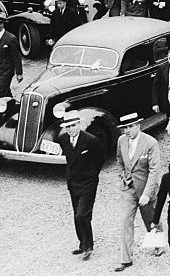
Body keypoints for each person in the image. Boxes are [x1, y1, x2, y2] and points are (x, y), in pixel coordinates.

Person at [114, 112, 161, 272]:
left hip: (146, 188)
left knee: (151, 219)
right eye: (124, 128)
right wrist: (122, 176)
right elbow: (119, 160)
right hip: (128, 188)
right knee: (125, 221)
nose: (127, 130)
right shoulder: (121, 141)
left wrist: (147, 193)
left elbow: (154, 170)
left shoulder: (151, 143)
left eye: (130, 126)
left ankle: (158, 245)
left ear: (138, 126)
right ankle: (126, 259)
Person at [57, 111, 104, 261]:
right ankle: (82, 243)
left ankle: (88, 246)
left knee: (82, 214)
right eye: (68, 126)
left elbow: (100, 159)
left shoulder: (91, 140)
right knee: (76, 214)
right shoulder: (63, 139)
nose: (70, 129)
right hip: (73, 182)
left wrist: (92, 175)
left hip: (88, 182)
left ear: (79, 124)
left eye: (73, 125)